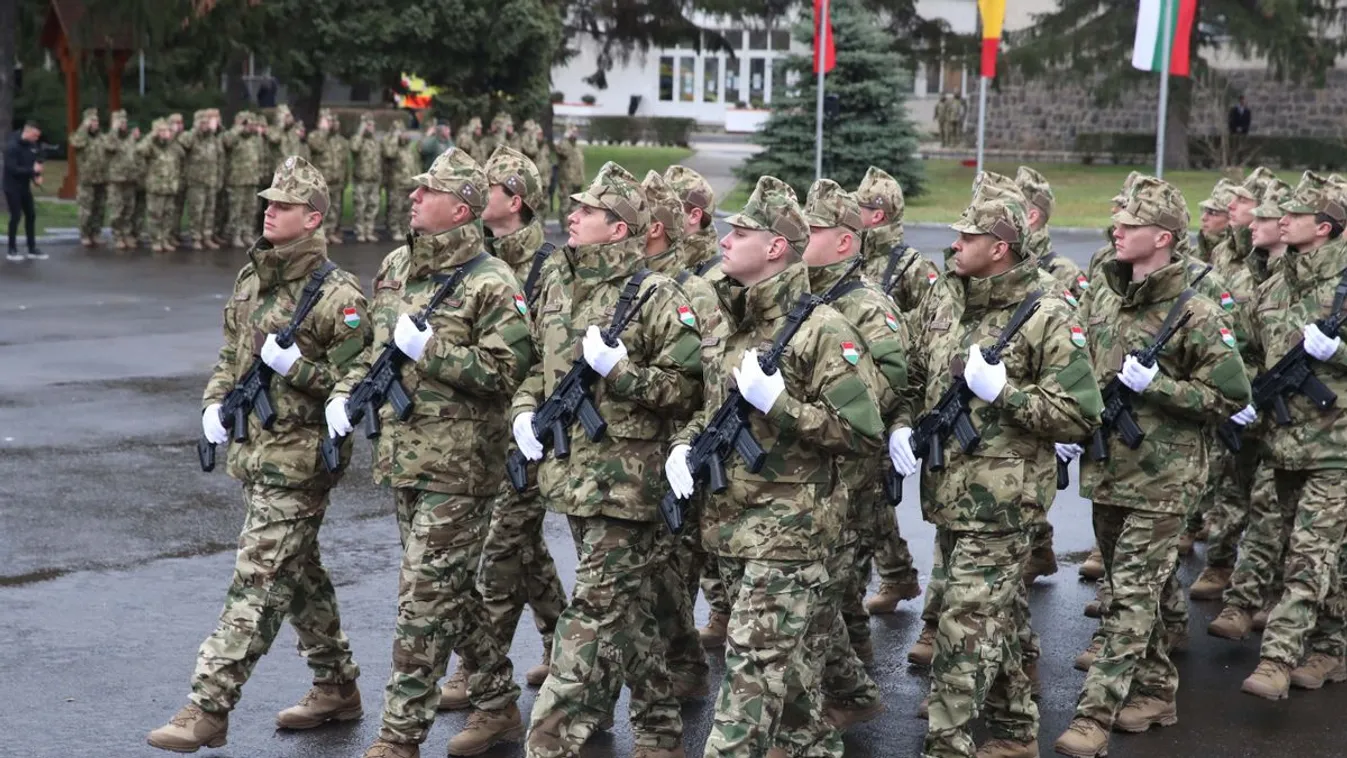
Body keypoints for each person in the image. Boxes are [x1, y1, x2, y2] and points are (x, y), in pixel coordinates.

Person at [146, 156, 370, 752]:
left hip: (300, 461)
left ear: (314, 218)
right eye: (268, 202)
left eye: (284, 205)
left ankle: (207, 706)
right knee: (299, 575)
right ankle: (337, 685)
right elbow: (229, 354)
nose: (269, 210)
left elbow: (359, 382)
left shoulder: (337, 294)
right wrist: (214, 403)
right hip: (255, 451)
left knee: (260, 578)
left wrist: (297, 368)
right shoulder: (253, 277)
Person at [664, 175, 882, 757]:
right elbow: (708, 411)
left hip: (790, 533)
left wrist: (779, 407)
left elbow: (863, 434)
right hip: (730, 525)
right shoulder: (729, 324)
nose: (726, 240)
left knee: (750, 674)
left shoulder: (823, 330)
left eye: (742, 231)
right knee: (793, 701)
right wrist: (684, 445)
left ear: (777, 247)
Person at [326, 147, 534, 758]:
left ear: (461, 209)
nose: (414, 197)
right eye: (416, 189)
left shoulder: (493, 281)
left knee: (422, 597)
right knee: (452, 592)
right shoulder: (396, 265)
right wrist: (345, 392)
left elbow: (506, 371)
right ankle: (496, 704)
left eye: (428, 191)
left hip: (462, 466)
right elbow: (368, 350)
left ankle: (398, 736)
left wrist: (433, 350)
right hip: (403, 455)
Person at [1054, 177, 1251, 757]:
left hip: (1166, 479)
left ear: (1162, 238)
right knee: (1137, 588)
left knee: (1131, 595)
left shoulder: (1195, 309)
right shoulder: (1105, 296)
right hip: (1110, 469)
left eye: (1131, 225)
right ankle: (1158, 690)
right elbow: (1083, 370)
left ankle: (1095, 713)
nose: (1117, 229)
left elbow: (1232, 397)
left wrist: (1161, 387)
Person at [901, 193, 1101, 758]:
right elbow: (914, 372)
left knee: (964, 627)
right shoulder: (947, 300)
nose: (955, 245)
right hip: (947, 494)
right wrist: (900, 425)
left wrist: (1005, 395)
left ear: (1000, 248)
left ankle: (947, 744)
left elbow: (1081, 415)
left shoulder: (1048, 314)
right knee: (1000, 617)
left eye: (967, 238)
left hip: (1005, 505)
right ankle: (1014, 733)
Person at [515, 162, 702, 758]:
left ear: (619, 229)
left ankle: (548, 741)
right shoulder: (559, 285)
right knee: (636, 609)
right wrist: (525, 410)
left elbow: (688, 389)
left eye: (587, 211)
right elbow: (534, 371)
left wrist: (619, 372)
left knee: (591, 613)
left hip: (629, 487)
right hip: (571, 477)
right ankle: (660, 730)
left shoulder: (654, 296)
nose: (571, 216)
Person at [435, 145, 568, 710]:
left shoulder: (549, 268)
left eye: (485, 187)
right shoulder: (474, 259)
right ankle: (562, 636)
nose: (473, 194)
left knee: (497, 550)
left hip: (526, 429)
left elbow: (547, 354)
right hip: (476, 428)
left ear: (513, 201)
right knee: (526, 548)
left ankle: (472, 669)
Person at [799, 178, 907, 733]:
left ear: (845, 242)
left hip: (853, 471)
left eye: (811, 230)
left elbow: (895, 384)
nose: (799, 237)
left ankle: (839, 694)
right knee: (831, 589)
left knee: (827, 587)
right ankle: (853, 684)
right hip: (814, 471)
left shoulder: (866, 305)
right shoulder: (806, 295)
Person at [1237, 171, 1347, 701]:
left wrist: (1339, 353)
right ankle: (1332, 646)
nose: (1281, 218)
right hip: (1280, 443)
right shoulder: (1273, 285)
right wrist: (1240, 400)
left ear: (1324, 227)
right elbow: (1248, 354)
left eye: (1295, 214)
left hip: (1337, 448)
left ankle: (1277, 658)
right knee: (1318, 555)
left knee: (1310, 553)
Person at [1208, 178, 1297, 642]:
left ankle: (1257, 598)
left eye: (1265, 217)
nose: (1255, 224)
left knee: (1272, 506)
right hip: (1256, 405)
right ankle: (1245, 592)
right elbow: (1240, 343)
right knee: (1243, 492)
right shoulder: (1252, 273)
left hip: (1301, 421)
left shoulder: (1299, 282)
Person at [856, 165, 932, 616]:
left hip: (892, 392)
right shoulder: (857, 258)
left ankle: (896, 575)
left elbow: (925, 333)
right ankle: (899, 574)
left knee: (875, 490)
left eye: (861, 206)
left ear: (878, 215)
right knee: (872, 493)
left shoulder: (911, 267)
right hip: (857, 386)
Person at [139, 118, 186, 253]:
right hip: (156, 187)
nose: (166, 133)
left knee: (168, 214)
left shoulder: (172, 146)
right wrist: (151, 137)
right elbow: (140, 150)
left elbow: (182, 154)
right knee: (155, 215)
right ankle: (156, 240)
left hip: (170, 186)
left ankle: (165, 239)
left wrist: (173, 138)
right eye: (162, 130)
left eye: (167, 130)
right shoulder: (151, 146)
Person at [179, 109, 224, 250]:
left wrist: (218, 178)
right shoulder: (191, 137)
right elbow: (182, 144)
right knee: (196, 211)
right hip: (196, 181)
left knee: (209, 211)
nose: (205, 125)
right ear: (197, 123)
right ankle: (196, 238)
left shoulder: (213, 138)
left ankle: (207, 236)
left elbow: (219, 159)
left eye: (206, 122)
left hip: (211, 180)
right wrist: (195, 130)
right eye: (202, 123)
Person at [307, 109, 350, 244]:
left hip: (336, 179)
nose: (331, 124)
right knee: (321, 208)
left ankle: (330, 232)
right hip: (322, 180)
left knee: (334, 208)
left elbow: (344, 161)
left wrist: (345, 178)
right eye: (328, 121)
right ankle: (320, 234)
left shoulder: (337, 140)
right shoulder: (315, 136)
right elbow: (317, 147)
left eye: (332, 121)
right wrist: (323, 130)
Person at [4, 120, 45, 261]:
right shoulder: (12, 146)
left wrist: (36, 176)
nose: (36, 139)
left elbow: (34, 163)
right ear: (27, 131)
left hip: (24, 186)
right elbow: (12, 169)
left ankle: (32, 248)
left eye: (37, 137)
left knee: (31, 215)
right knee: (15, 216)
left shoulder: (31, 146)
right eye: (34, 136)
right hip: (11, 186)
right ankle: (11, 249)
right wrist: (31, 170)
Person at [69, 108, 109, 248]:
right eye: (92, 120)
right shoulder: (79, 136)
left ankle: (96, 233)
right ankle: (85, 234)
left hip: (101, 179)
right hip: (86, 180)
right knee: (86, 209)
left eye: (96, 120)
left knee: (99, 208)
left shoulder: (102, 137)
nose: (95, 123)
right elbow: (76, 143)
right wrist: (83, 128)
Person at [349, 113, 382, 242]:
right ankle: (360, 232)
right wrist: (360, 131)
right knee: (360, 208)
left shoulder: (375, 142)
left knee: (372, 207)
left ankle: (369, 231)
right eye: (368, 125)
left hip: (374, 180)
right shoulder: (358, 139)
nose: (371, 128)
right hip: (361, 180)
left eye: (372, 125)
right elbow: (354, 148)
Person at [553, 123, 585, 217]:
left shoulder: (577, 147)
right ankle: (564, 226)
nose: (575, 133)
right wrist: (565, 137)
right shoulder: (564, 145)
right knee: (565, 204)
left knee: (576, 204)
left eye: (576, 131)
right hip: (566, 180)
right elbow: (559, 150)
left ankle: (573, 224)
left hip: (577, 180)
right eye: (573, 131)